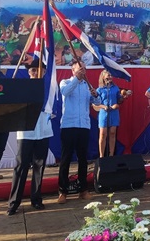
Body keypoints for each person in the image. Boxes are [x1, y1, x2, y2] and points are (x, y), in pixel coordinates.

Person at [7, 59, 54, 215]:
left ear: (45, 71)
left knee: (39, 166)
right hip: (26, 131)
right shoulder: (23, 87)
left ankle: (36, 199)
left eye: (39, 70)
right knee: (21, 167)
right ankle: (14, 202)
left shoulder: (50, 87)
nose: (36, 72)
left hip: (43, 130)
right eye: (33, 70)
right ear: (28, 73)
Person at [57, 60, 99, 204]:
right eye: (80, 68)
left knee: (83, 159)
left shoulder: (88, 86)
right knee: (66, 159)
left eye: (84, 69)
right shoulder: (65, 82)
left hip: (84, 126)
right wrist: (77, 79)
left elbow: (97, 104)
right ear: (73, 70)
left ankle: (83, 190)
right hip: (69, 125)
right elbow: (65, 92)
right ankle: (63, 191)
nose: (83, 71)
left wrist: (95, 95)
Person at [94, 70, 124, 158]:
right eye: (108, 75)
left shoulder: (115, 88)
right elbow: (95, 103)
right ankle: (101, 155)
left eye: (111, 75)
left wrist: (122, 98)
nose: (110, 77)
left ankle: (111, 154)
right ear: (103, 77)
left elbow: (119, 100)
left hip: (114, 112)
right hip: (103, 113)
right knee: (103, 134)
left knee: (112, 132)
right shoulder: (99, 90)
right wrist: (103, 107)